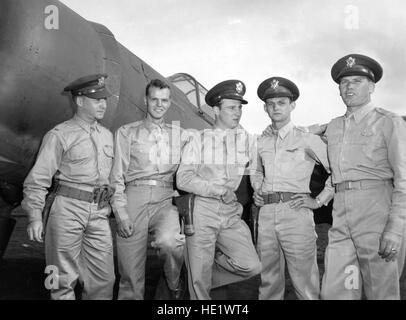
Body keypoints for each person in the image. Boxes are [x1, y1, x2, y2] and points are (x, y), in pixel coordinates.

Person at [22, 74, 115, 300]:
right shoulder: (59, 135)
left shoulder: (107, 136)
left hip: (98, 212)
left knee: (104, 279)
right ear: (80, 101)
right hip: (66, 209)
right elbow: (38, 179)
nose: (103, 104)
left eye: (105, 99)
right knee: (60, 278)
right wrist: (35, 215)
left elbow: (111, 178)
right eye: (97, 100)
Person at [321, 54, 406, 299]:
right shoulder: (334, 126)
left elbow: (403, 178)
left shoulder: (388, 122)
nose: (349, 87)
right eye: (344, 82)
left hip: (376, 210)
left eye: (357, 81)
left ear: (371, 86)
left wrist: (395, 228)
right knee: (335, 291)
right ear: (338, 89)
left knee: (381, 291)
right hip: (341, 214)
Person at [177, 79, 261, 300]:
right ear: (215, 110)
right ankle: (198, 277)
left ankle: (197, 273)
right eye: (232, 108)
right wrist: (218, 190)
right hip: (202, 210)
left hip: (230, 214)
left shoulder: (246, 142)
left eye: (240, 107)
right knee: (199, 285)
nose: (238, 113)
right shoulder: (198, 140)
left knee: (251, 265)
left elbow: (262, 165)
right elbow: (183, 179)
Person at [251, 77, 334, 300]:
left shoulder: (307, 139)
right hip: (266, 214)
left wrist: (318, 200)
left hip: (296, 212)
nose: (276, 107)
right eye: (271, 104)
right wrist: (257, 189)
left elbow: (338, 170)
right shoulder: (262, 142)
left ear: (292, 105)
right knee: (268, 282)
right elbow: (256, 171)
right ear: (265, 108)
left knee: (305, 283)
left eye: (281, 102)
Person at [110, 79, 187, 300]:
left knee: (171, 243)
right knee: (130, 274)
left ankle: (173, 284)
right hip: (133, 198)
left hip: (165, 201)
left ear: (170, 102)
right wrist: (121, 213)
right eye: (154, 99)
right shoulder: (126, 132)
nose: (159, 104)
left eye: (164, 100)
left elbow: (189, 171)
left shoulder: (180, 136)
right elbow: (116, 176)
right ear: (146, 100)